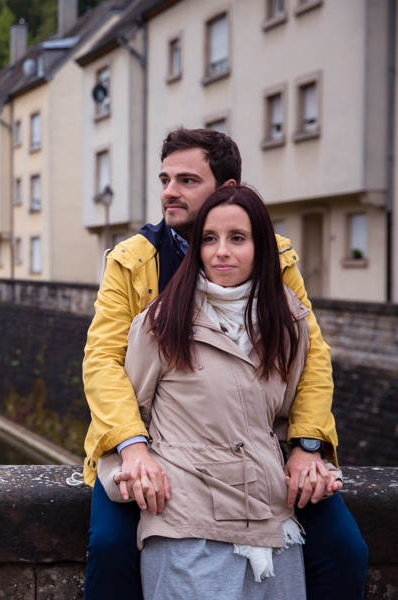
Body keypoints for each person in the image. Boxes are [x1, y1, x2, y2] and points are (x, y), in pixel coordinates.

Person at [82, 128, 368, 599]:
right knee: (112, 548)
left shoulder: (274, 254)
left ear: (227, 188)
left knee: (344, 551)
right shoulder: (134, 259)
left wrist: (307, 444)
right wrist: (132, 448)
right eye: (165, 178)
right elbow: (103, 360)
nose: (169, 191)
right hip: (151, 443)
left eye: (187, 180)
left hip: (256, 444)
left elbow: (310, 354)